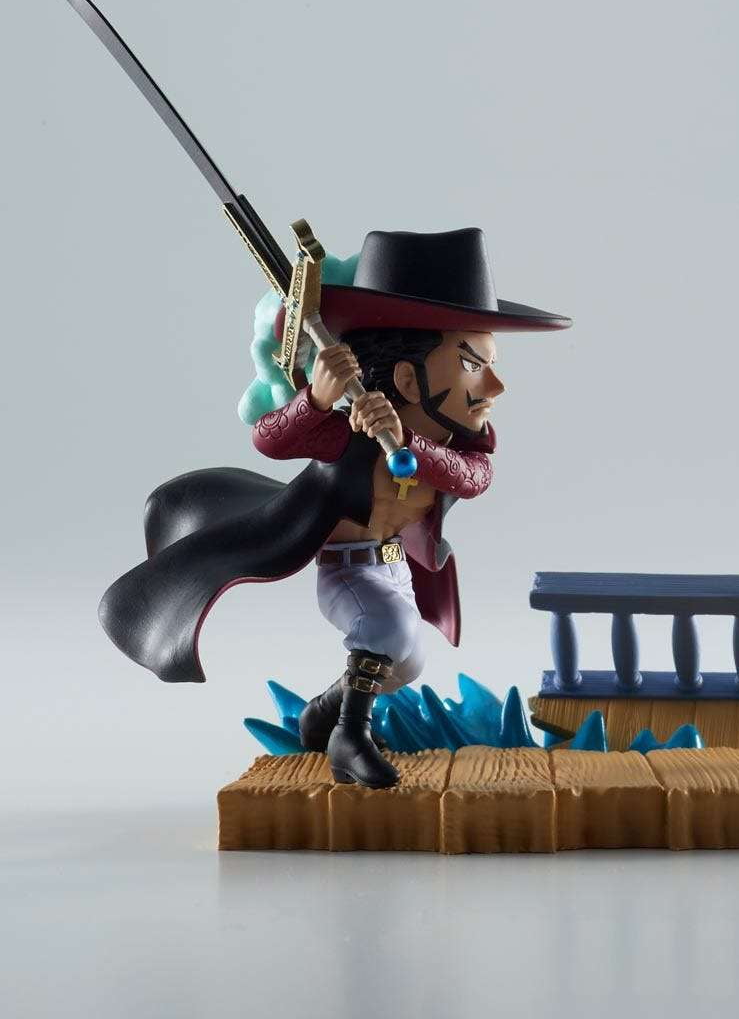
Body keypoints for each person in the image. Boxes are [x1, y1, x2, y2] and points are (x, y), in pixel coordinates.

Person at [100, 227, 569, 788]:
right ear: (407, 378)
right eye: (473, 365)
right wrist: (317, 399)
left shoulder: (457, 445)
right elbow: (271, 440)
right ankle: (350, 739)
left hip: (393, 566)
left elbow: (473, 479)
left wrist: (410, 444)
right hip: (346, 570)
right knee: (389, 631)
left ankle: (323, 716)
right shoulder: (349, 434)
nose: (494, 387)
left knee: (406, 661)